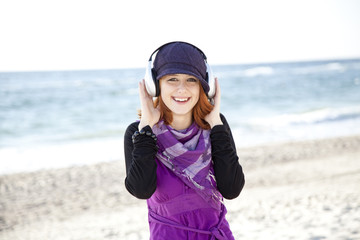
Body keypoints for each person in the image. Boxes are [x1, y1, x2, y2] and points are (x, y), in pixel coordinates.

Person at [124, 41, 245, 240]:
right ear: (155, 85)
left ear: (204, 86)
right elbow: (141, 189)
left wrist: (216, 125)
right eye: (172, 79)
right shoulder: (138, 134)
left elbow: (231, 189)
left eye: (191, 80)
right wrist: (146, 127)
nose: (182, 89)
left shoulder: (215, 126)